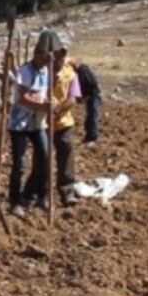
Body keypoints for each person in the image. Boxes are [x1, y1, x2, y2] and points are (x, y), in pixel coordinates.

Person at [6, 32, 56, 216]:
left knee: (44, 155)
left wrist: (49, 104)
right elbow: (24, 97)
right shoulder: (25, 71)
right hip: (20, 123)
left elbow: (45, 94)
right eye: (43, 57)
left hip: (37, 122)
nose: (45, 61)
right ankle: (14, 200)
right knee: (19, 163)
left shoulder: (46, 71)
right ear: (36, 54)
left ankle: (37, 194)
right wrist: (42, 105)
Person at [52, 41, 82, 205]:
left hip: (64, 121)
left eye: (62, 54)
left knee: (66, 153)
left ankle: (67, 190)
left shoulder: (70, 73)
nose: (59, 58)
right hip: (43, 122)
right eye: (57, 54)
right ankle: (39, 192)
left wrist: (56, 111)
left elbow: (73, 98)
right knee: (42, 157)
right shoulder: (43, 72)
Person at [73, 60, 102, 145]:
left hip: (93, 96)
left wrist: (83, 97)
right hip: (91, 95)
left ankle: (92, 137)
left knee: (92, 116)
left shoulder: (83, 72)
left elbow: (89, 85)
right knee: (90, 116)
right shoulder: (81, 72)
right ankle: (89, 136)